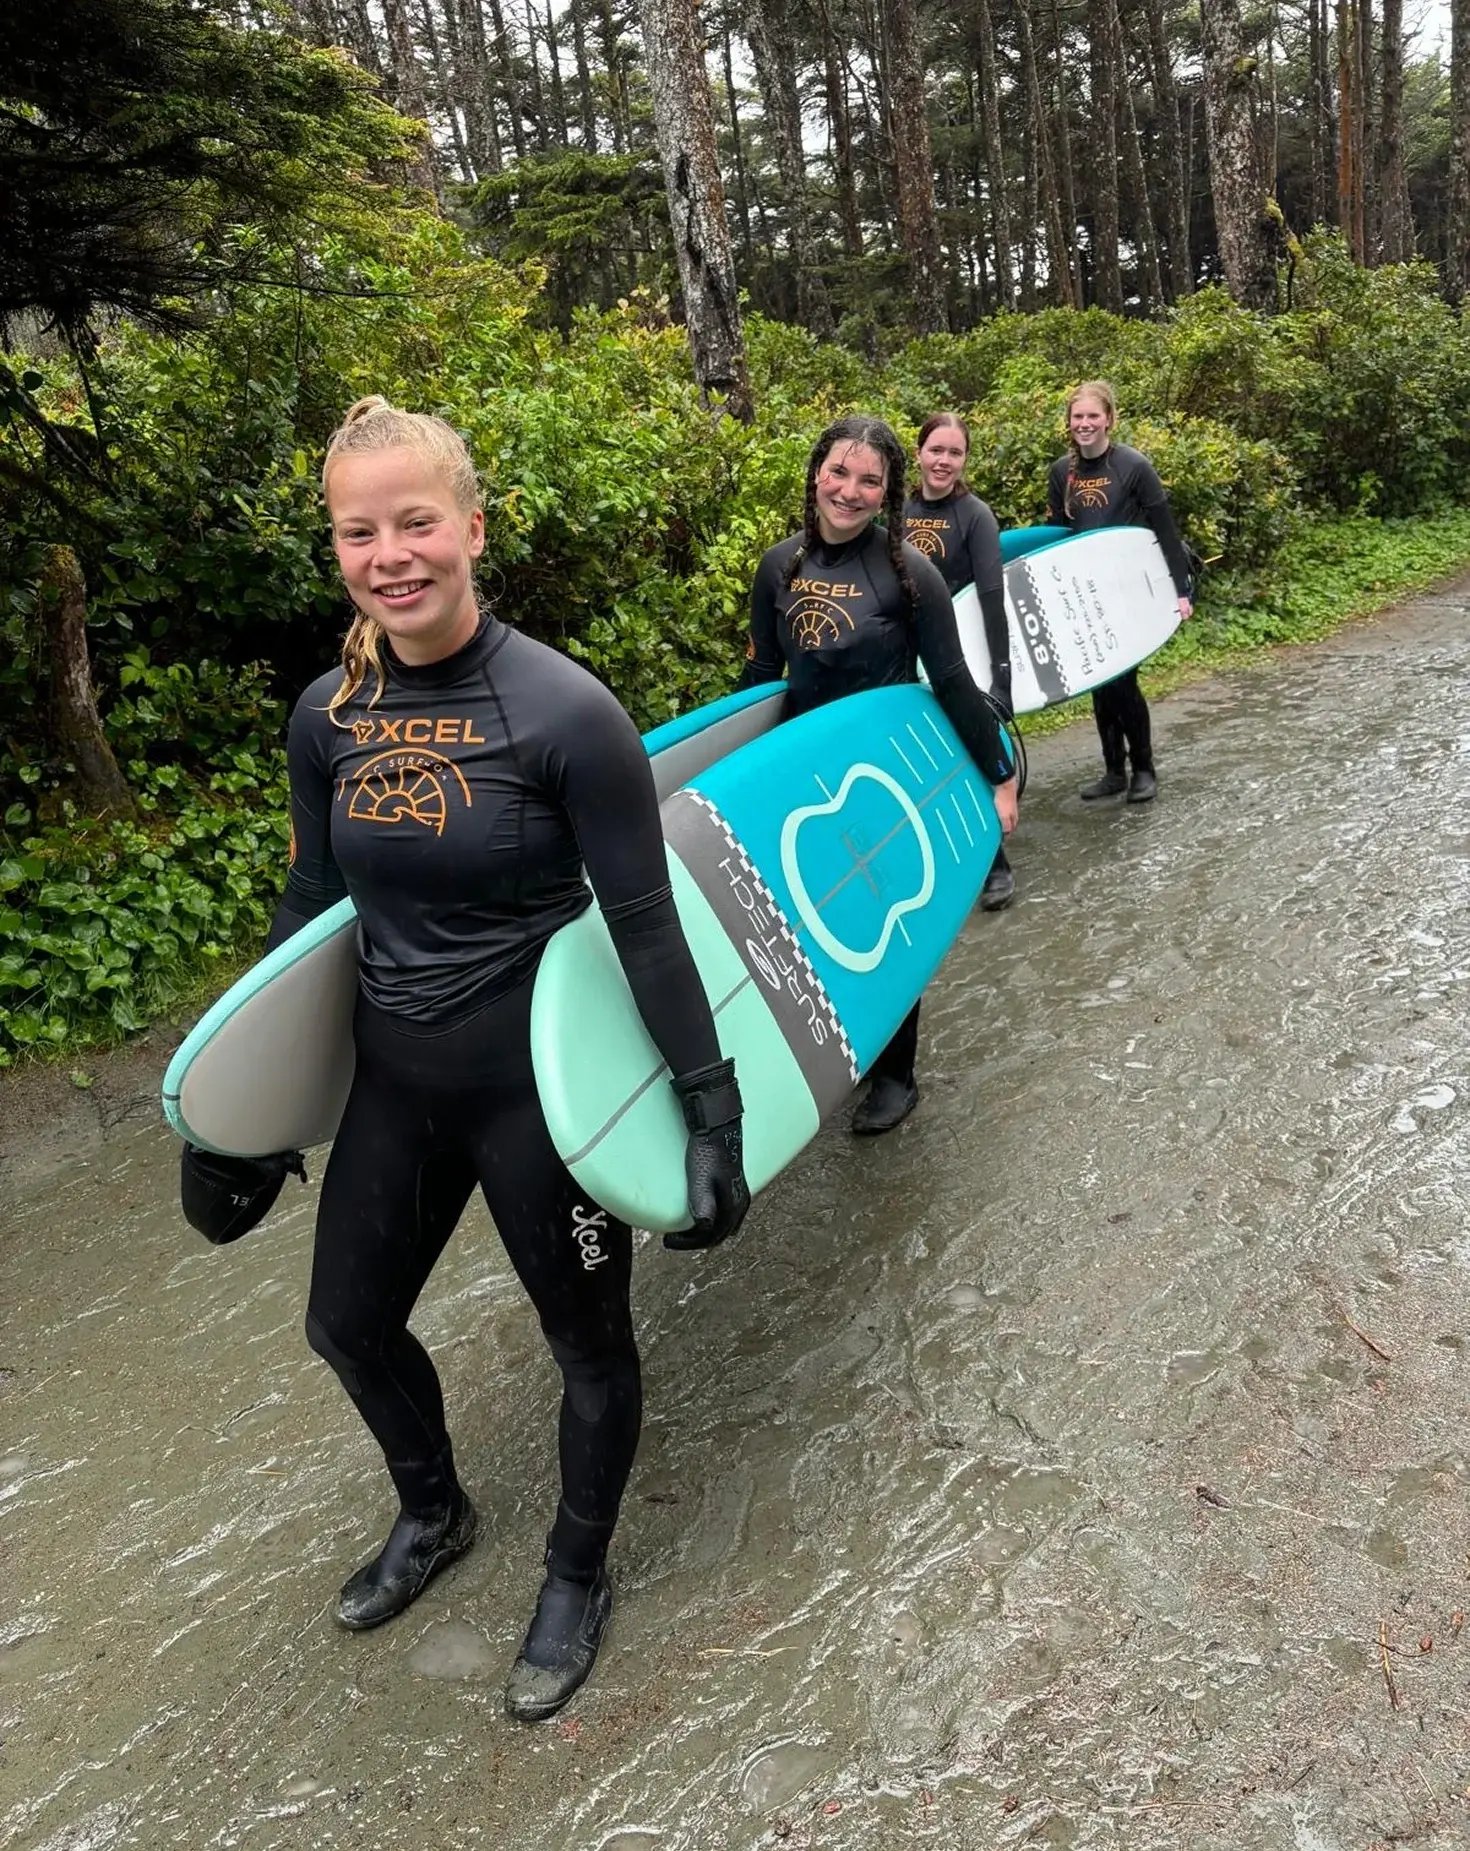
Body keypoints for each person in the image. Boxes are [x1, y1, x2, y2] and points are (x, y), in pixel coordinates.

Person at [185, 396, 749, 1723]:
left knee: (589, 1345)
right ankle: (433, 1508)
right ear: (336, 546)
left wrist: (708, 1108)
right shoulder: (328, 714)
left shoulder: (564, 711)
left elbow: (645, 919)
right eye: (357, 529)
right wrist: (244, 1115)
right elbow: (308, 913)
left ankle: (574, 1569)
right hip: (397, 1077)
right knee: (344, 1321)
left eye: (415, 520)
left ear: (471, 526)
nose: (390, 553)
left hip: (531, 1094)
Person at [738, 414, 1019, 1136]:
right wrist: (731, 779)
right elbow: (761, 682)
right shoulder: (779, 566)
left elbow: (953, 681)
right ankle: (844, 1049)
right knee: (815, 914)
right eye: (839, 472)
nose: (850, 490)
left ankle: (898, 1073)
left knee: (884, 919)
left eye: (869, 479)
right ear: (815, 473)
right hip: (801, 773)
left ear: (889, 491)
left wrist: (999, 773)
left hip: (879, 777)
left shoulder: (907, 573)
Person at [1046, 381, 1193, 804]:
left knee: (1124, 681)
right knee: (1098, 680)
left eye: (1093, 416)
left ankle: (1143, 768)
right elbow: (1058, 538)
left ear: (1109, 418)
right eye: (1078, 417)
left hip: (1128, 593)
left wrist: (1181, 590)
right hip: (1085, 595)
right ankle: (1113, 770)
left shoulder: (1132, 465)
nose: (1085, 424)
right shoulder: (1062, 473)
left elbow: (1164, 530)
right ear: (1069, 423)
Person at [904, 412, 1016, 911]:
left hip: (959, 655)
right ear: (919, 452)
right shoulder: (898, 509)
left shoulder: (975, 515)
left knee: (969, 750)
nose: (944, 461)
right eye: (936, 450)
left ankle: (996, 864)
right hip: (909, 657)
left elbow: (992, 598)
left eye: (955, 452)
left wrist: (1002, 676)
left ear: (965, 459)